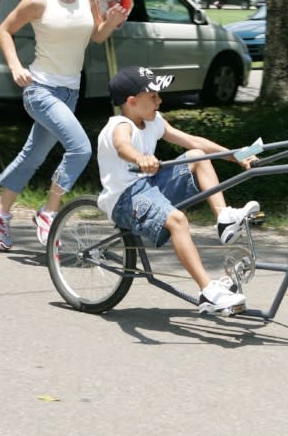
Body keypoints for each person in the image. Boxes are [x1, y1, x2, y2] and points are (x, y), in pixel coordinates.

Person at [0, 0, 129, 250]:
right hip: (41, 89)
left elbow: (98, 37)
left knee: (33, 155)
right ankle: (49, 212)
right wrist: (16, 67)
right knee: (80, 148)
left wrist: (111, 22)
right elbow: (4, 30)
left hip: (70, 93)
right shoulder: (38, 1)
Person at [98, 66, 261, 315]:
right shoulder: (120, 125)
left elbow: (194, 142)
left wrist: (237, 155)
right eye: (153, 96)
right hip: (125, 197)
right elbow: (122, 147)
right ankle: (207, 291)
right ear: (132, 101)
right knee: (177, 220)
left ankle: (223, 218)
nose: (160, 101)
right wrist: (140, 157)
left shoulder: (154, 120)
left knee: (197, 156)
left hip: (150, 185)